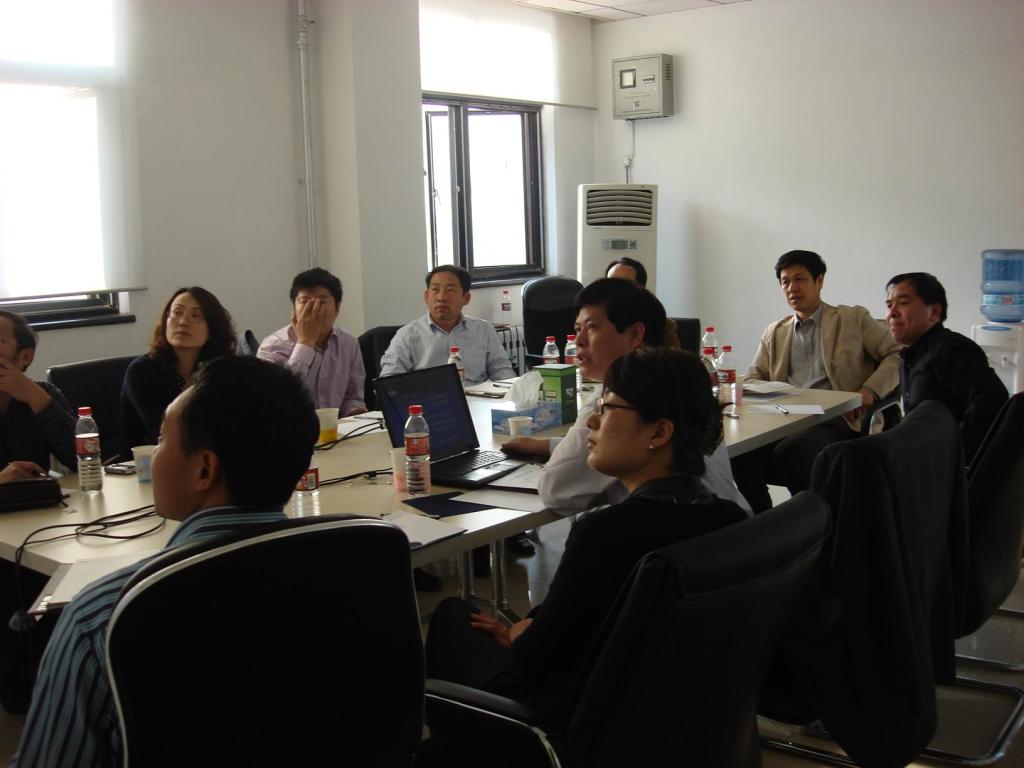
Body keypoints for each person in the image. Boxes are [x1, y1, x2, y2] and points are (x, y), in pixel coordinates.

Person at [424, 348, 748, 758]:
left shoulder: (606, 534)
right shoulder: (728, 519)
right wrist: (535, 626)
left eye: (607, 409)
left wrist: (523, 634)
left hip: (562, 722)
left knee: (453, 616)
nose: (592, 421)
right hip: (672, 722)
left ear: (659, 433)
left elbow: (534, 660)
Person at [12, 356, 319, 767]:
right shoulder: (347, 569)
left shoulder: (102, 616)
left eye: (161, 439)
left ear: (204, 470)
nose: (154, 455)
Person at [504, 278, 750, 515]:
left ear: (634, 335)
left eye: (592, 327)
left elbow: (556, 491)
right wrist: (550, 445)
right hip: (728, 529)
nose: (579, 341)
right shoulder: (680, 380)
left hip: (674, 535)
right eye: (577, 329)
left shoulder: (617, 399)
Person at [732, 250, 901, 512]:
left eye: (800, 279)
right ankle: (763, 521)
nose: (792, 288)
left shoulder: (853, 319)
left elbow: (897, 354)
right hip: (784, 418)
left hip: (837, 417)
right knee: (739, 452)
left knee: (794, 450)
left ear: (819, 281)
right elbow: (755, 378)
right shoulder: (775, 332)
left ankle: (816, 521)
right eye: (785, 282)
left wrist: (868, 391)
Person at [886, 272, 1007, 462]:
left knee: (846, 457)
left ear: (934, 312)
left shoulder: (952, 350)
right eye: (889, 305)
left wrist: (953, 452)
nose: (892, 313)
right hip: (917, 455)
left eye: (903, 303)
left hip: (942, 463)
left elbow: (992, 401)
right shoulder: (910, 355)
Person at [119, 287, 236, 457]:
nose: (183, 322)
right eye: (177, 313)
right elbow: (166, 434)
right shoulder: (142, 372)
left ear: (212, 329)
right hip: (146, 465)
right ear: (166, 320)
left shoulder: (218, 372)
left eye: (195, 316)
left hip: (203, 462)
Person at [379, 265, 515, 385]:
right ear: (426, 297)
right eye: (435, 289)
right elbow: (389, 380)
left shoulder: (484, 330)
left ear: (466, 298)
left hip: (478, 400)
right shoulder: (407, 334)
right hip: (430, 401)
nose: (441, 297)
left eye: (450, 290)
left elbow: (503, 374)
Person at [257, 267, 367, 415]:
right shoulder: (272, 347)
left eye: (322, 302)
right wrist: (305, 342)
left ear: (337, 308)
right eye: (304, 301)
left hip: (337, 427)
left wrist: (355, 413)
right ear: (294, 309)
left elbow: (353, 397)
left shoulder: (349, 344)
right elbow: (279, 400)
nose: (314, 309)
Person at [0, 310, 76, 473]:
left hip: (37, 490)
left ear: (26, 357)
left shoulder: (43, 393)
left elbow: (83, 460)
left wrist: (36, 398)